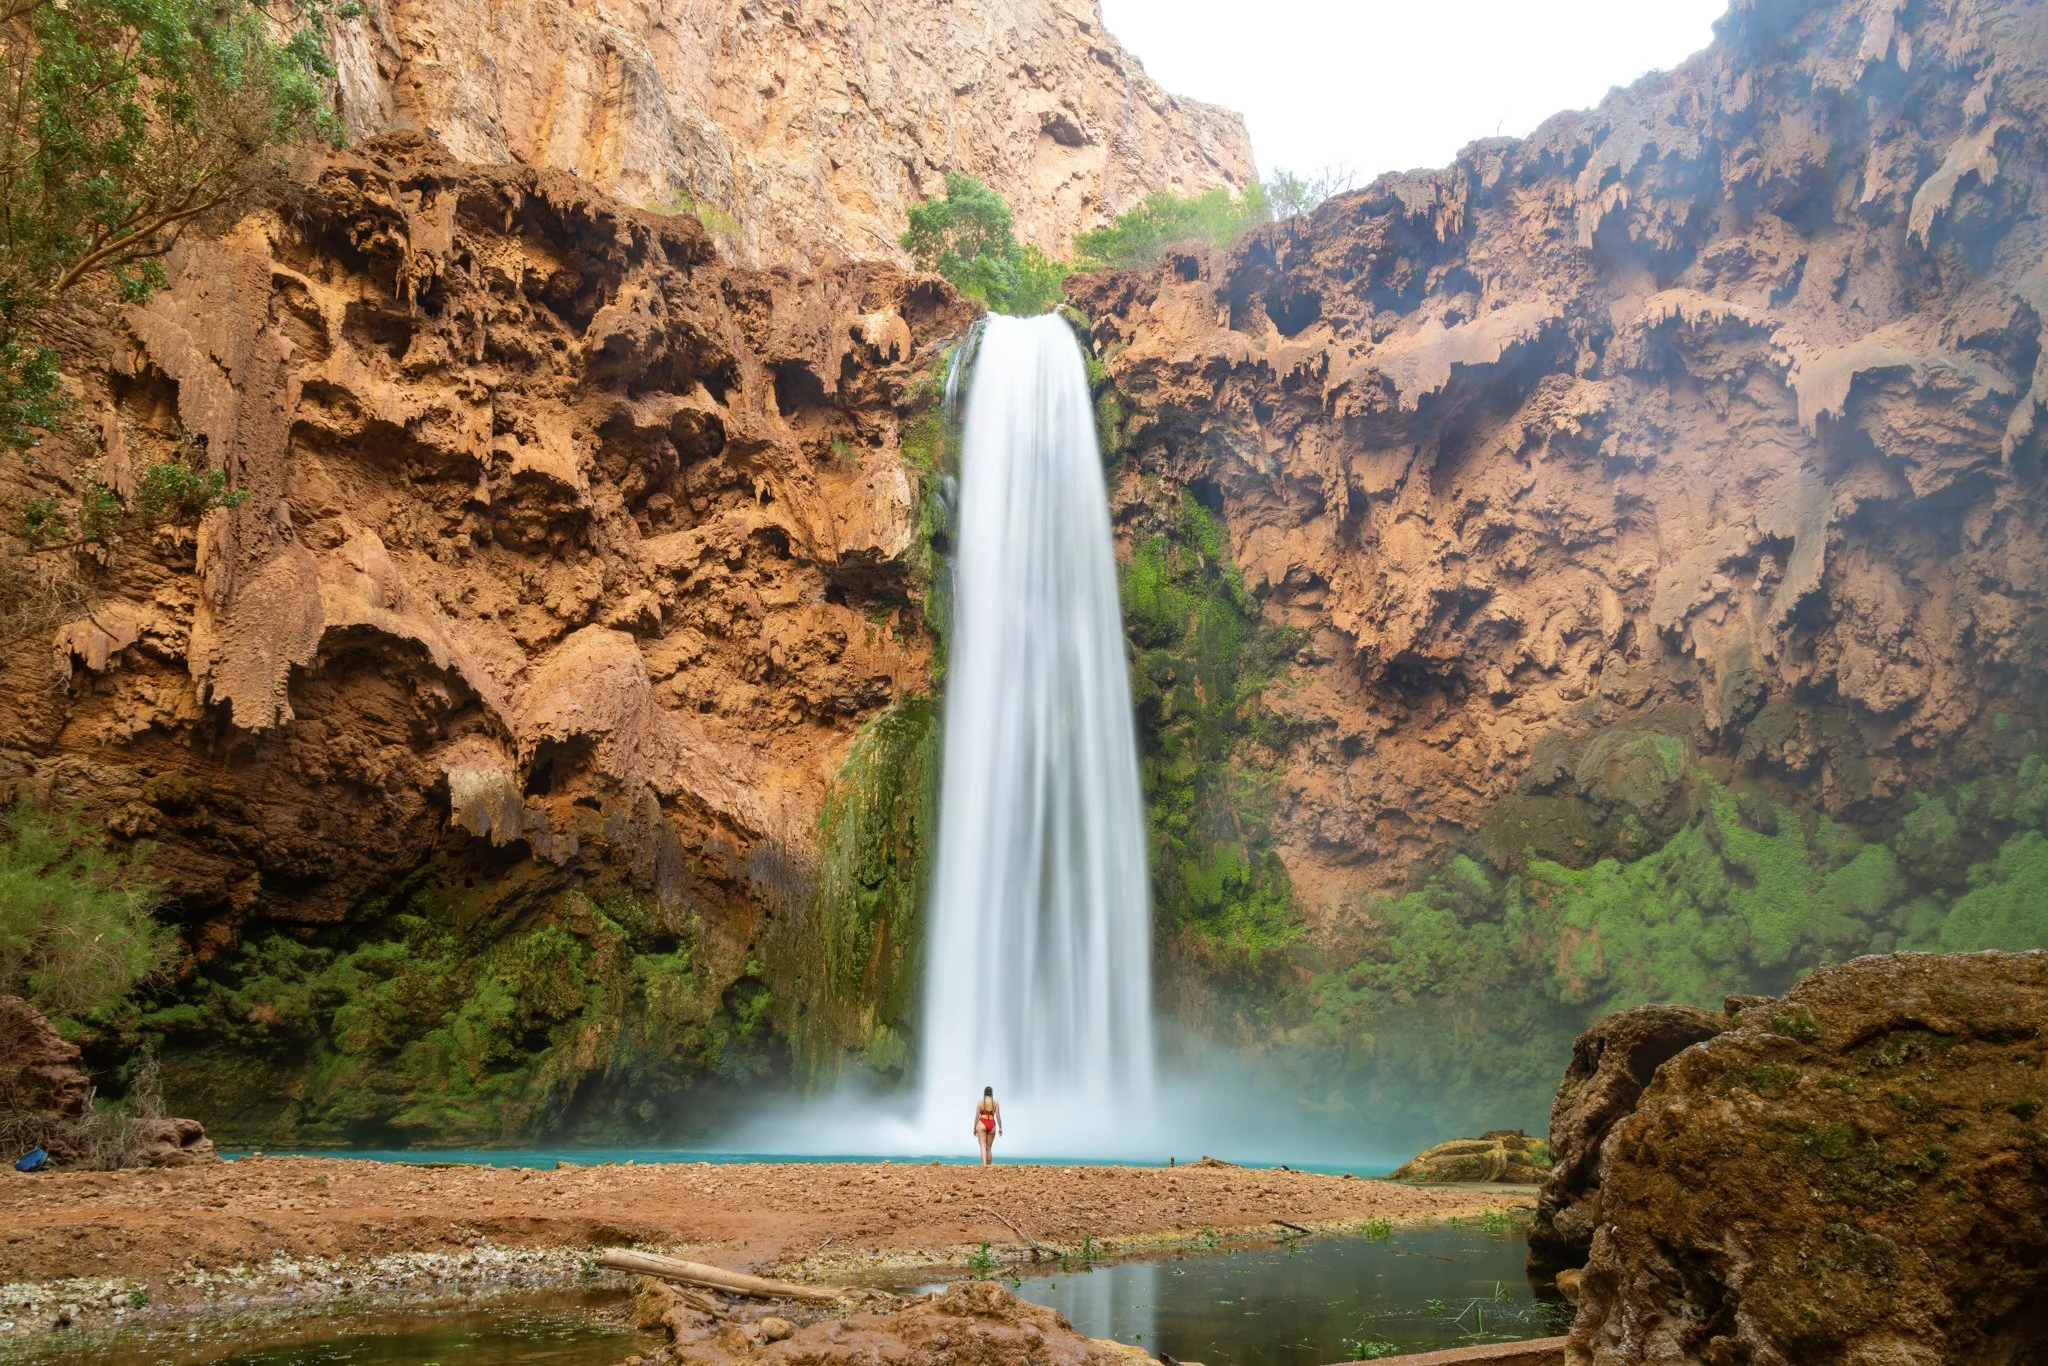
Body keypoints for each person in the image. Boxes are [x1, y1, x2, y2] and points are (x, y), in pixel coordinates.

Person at [973, 1086, 1003, 1165]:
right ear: (991, 1093)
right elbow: (998, 1116)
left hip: (982, 1122)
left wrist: (974, 1128)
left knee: (983, 1146)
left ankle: (984, 1164)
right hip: (992, 1123)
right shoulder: (995, 1103)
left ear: (984, 1093)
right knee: (989, 1148)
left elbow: (976, 1116)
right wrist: (1000, 1128)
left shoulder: (980, 1102)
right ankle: (989, 1165)